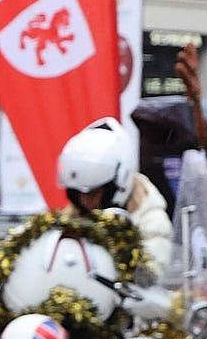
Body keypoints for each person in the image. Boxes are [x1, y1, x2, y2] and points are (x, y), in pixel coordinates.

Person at [58, 116, 174, 276]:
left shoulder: (151, 220)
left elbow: (151, 275)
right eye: (78, 193)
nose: (85, 200)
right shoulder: (70, 217)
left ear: (117, 185)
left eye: (94, 192)